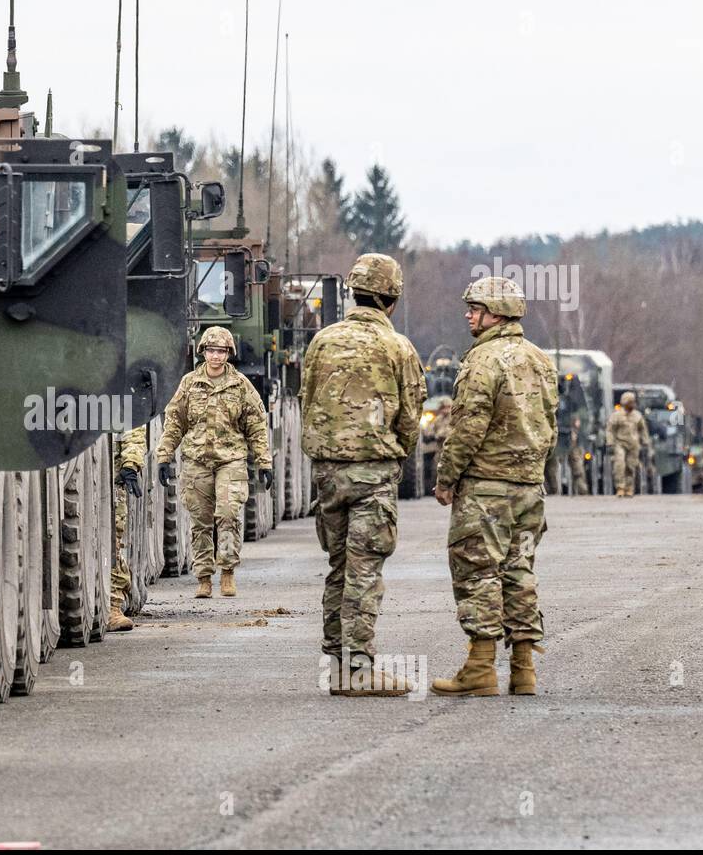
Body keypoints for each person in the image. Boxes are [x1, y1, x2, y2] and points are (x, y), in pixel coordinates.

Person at [300, 253, 425, 696]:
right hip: (373, 474)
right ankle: (358, 670)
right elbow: (411, 417)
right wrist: (398, 457)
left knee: (339, 567)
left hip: (328, 472)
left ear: (353, 292)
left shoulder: (322, 342)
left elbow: (306, 398)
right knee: (364, 570)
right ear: (391, 299)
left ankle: (337, 662)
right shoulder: (398, 348)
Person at [431, 276, 558, 697]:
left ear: (496, 314)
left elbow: (468, 425)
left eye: (476, 308)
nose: (469, 314)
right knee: (519, 572)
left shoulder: (483, 360)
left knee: (478, 573)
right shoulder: (540, 359)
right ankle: (524, 671)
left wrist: (447, 477)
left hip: (486, 487)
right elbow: (550, 425)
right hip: (528, 487)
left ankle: (480, 668)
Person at [156, 325, 271, 599]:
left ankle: (228, 572)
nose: (216, 356)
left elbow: (256, 425)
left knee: (229, 514)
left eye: (221, 351)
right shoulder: (189, 384)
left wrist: (264, 462)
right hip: (196, 461)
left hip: (231, 460)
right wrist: (164, 455)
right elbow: (174, 422)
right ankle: (204, 577)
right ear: (203, 352)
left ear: (228, 354)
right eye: (211, 350)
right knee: (201, 521)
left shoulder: (241, 385)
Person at [109, 426, 148, 632]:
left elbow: (133, 426)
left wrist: (130, 464)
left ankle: (113, 607)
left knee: (111, 543)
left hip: (113, 479)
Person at [606, 391, 649, 497]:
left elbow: (643, 430)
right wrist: (610, 442)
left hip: (634, 444)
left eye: (633, 402)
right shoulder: (616, 415)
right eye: (630, 402)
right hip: (620, 443)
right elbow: (610, 429)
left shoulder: (637, 416)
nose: (632, 404)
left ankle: (629, 488)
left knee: (631, 466)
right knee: (619, 465)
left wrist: (645, 441)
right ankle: (620, 487)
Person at [568, 417, 590, 494]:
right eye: (577, 421)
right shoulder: (571, 432)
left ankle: (577, 491)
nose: (578, 423)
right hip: (575, 455)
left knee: (579, 474)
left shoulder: (580, 432)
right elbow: (571, 445)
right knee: (579, 473)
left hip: (579, 455)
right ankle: (583, 491)